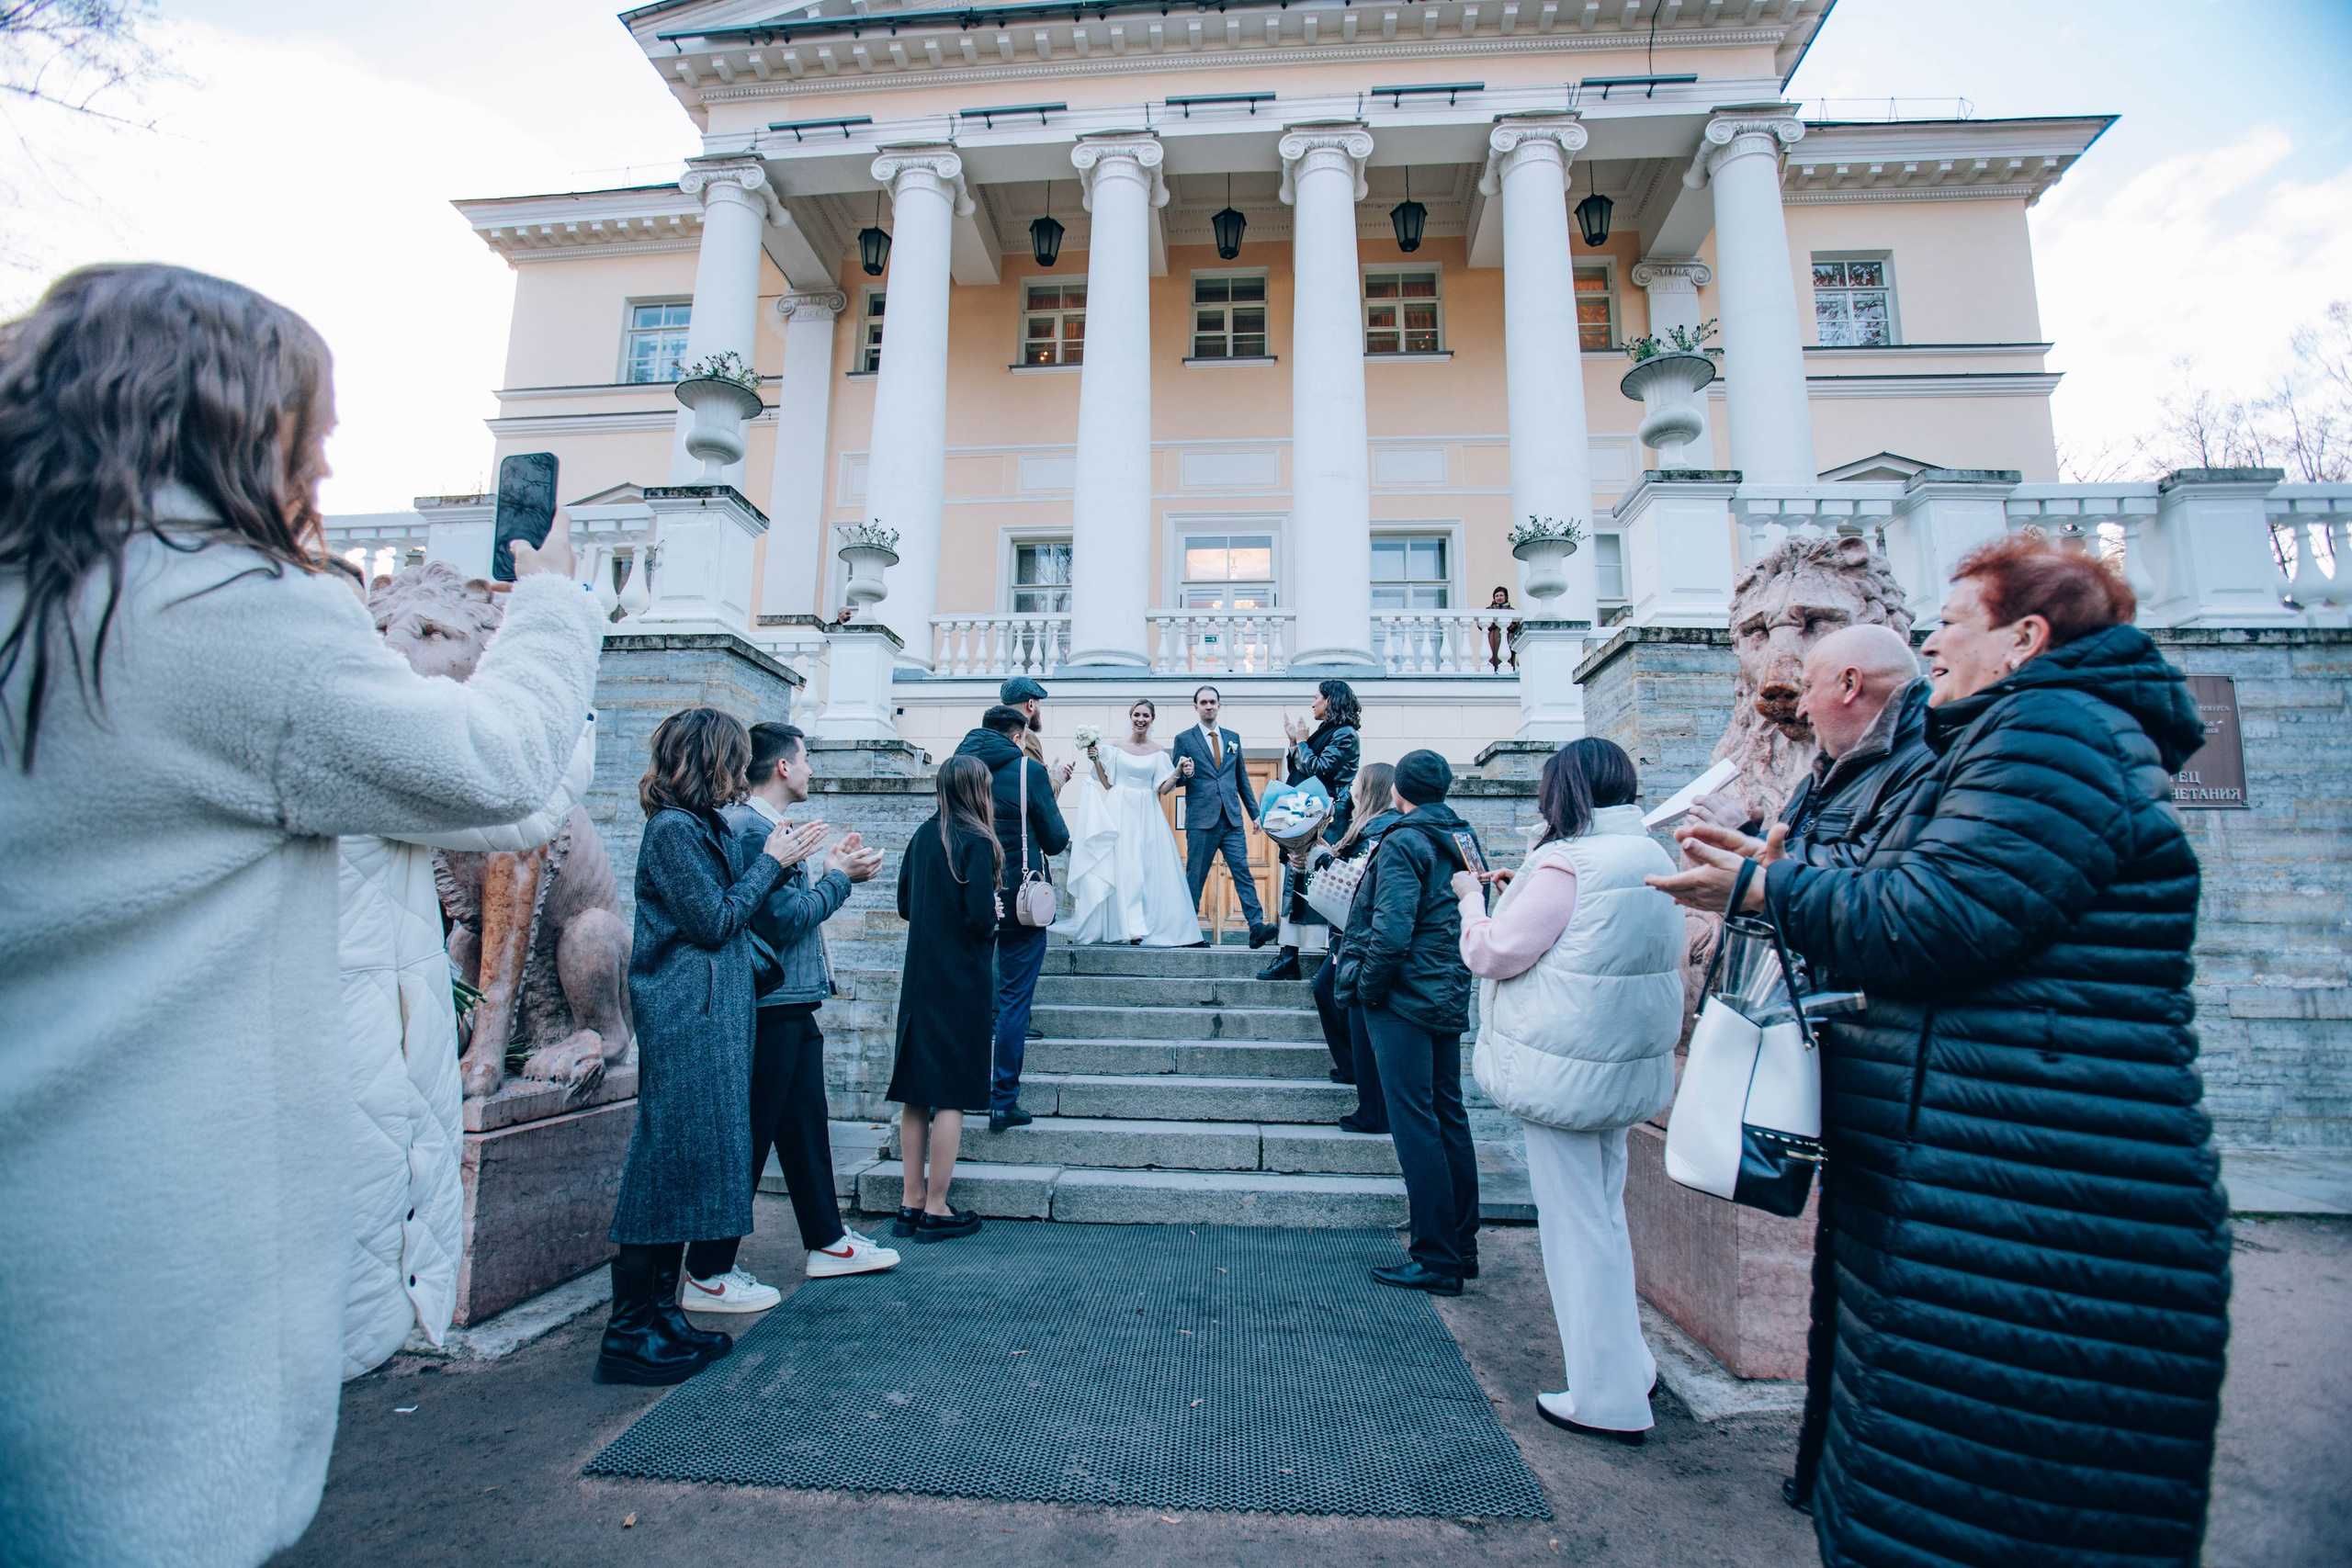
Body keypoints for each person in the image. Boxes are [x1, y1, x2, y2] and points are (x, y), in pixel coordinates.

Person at [0, 264, 605, 1567]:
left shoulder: (38, 597)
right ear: (221, 421)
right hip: (142, 1229)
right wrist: (554, 605)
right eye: (305, 429)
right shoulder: (212, 611)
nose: (323, 466)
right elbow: (498, 772)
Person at [1650, 537, 2230, 1567]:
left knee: (1976, 1495)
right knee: (1938, 1486)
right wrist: (1777, 870)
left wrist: (1763, 888)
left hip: (2020, 1184)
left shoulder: (2051, 732)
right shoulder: (2023, 733)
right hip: (1980, 1170)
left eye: (1952, 623)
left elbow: (1936, 918)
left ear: (2024, 638)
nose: (1929, 644)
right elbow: (1917, 893)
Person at [331, 556, 600, 1381]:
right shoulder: (361, 738)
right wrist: (559, 620)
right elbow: (513, 788)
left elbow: (512, 819)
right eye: (381, 629)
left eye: (426, 632)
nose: (394, 648)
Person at [1459, 739, 1682, 1447]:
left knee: (1574, 1229)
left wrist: (1472, 902)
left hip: (1566, 1069)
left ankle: (1604, 1395)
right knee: (1604, 1218)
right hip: (1618, 1062)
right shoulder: (1647, 853)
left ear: (1566, 790)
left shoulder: (1567, 861)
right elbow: (1588, 940)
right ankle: (1629, 1365)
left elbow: (1494, 951)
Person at [599, 707, 817, 1386]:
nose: (742, 769)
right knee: (665, 1165)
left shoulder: (699, 826)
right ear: (711, 759)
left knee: (689, 1165)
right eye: (732, 757)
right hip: (685, 1017)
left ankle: (662, 1316)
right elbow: (714, 920)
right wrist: (774, 862)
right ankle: (629, 1332)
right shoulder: (671, 830)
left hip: (709, 1014)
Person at [680, 722, 897, 1311]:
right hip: (770, 1005)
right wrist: (840, 880)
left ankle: (827, 1241)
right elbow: (783, 921)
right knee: (749, 1137)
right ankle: (707, 1271)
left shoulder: (765, 828)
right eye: (804, 759)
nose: (809, 769)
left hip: (790, 1002)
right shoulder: (755, 831)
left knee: (804, 1129)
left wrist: (828, 870)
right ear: (782, 767)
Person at [1335, 749, 1484, 1295]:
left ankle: (1436, 1256)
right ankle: (1461, 1247)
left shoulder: (1404, 840)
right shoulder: (1462, 835)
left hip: (1402, 998)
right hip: (1445, 989)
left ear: (1399, 790)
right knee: (1448, 1115)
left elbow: (1391, 928)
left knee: (1416, 1123)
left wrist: (1366, 988)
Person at [1688, 622, 1934, 863]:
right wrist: (1740, 853)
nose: (1801, 709)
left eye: (1808, 687)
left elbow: (1870, 874)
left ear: (1849, 684)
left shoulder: (1930, 764)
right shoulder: (1823, 771)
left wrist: (1747, 843)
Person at [888, 755, 1002, 1243]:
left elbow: (905, 905)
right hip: (961, 981)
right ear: (977, 790)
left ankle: (910, 1201)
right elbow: (979, 919)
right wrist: (994, 910)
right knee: (952, 1093)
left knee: (916, 1093)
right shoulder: (976, 840)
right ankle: (937, 1207)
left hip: (920, 978)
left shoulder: (922, 835)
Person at [954, 704, 1070, 1133]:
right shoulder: (1028, 772)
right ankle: (1003, 1100)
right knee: (1013, 1003)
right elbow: (1056, 840)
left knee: (962, 1001)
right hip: (1020, 903)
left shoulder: (956, 769)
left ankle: (951, 1095)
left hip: (966, 897)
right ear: (1018, 735)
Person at [1297, 761, 1398, 1133]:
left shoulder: (1382, 829)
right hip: (1349, 935)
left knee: (1345, 1002)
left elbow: (1357, 878)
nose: (1353, 792)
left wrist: (1324, 860)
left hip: (1361, 938)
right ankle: (1351, 1067)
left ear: (1371, 790)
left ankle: (1371, 1105)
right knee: (1325, 988)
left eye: (1359, 786)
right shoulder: (1365, 826)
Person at [1057, 697, 1198, 945]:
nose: (1141, 719)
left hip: (1147, 811)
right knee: (1121, 865)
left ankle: (1142, 924)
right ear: (1131, 717)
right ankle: (1122, 925)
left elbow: (1163, 789)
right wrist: (1095, 760)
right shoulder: (1115, 748)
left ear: (1152, 720)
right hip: (1119, 808)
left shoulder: (1158, 752)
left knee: (1144, 868)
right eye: (1137, 715)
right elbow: (1107, 783)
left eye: (1146, 716)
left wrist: (1177, 771)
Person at [1261, 678, 1362, 981]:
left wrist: (1302, 743)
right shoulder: (1328, 732)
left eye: (1317, 697)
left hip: (1327, 820)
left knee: (1321, 883)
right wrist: (1295, 743)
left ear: (1330, 701)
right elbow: (1304, 770)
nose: (1312, 703)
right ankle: (1288, 957)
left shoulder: (1346, 735)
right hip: (1307, 814)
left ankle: (1331, 958)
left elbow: (1319, 771)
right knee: (1295, 881)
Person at [1170, 684, 1273, 949]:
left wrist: (1255, 814)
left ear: (1219, 705)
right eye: (1203, 702)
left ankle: (1256, 927)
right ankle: (1187, 933)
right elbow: (1176, 779)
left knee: (1242, 872)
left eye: (1212, 702)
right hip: (1201, 820)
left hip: (1232, 819)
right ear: (1196, 707)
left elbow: (1241, 779)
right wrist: (1186, 773)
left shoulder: (1232, 737)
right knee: (1196, 876)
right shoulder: (1184, 739)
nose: (1208, 706)